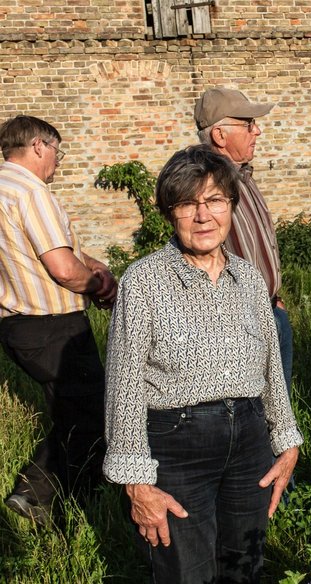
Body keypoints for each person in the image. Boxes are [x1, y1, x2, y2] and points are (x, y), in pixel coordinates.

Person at [103, 146, 302, 583]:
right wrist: (136, 483)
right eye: (187, 203)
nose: (203, 215)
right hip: (178, 447)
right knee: (185, 572)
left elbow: (271, 370)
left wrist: (287, 441)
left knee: (244, 565)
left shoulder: (249, 278)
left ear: (231, 205)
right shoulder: (144, 280)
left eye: (214, 200)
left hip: (250, 441)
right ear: (168, 213)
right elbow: (125, 385)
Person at [0, 115, 117, 525]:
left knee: (72, 409)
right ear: (37, 146)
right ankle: (35, 497)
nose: (58, 161)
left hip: (16, 325)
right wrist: (100, 287)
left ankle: (77, 494)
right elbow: (64, 269)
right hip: (52, 323)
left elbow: (62, 252)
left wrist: (96, 268)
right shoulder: (32, 193)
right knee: (91, 412)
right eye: (56, 151)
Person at [194, 87, 293, 393]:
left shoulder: (243, 177)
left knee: (278, 413)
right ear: (220, 136)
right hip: (239, 322)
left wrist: (274, 298)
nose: (257, 131)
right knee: (251, 416)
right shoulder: (204, 185)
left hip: (268, 310)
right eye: (248, 124)